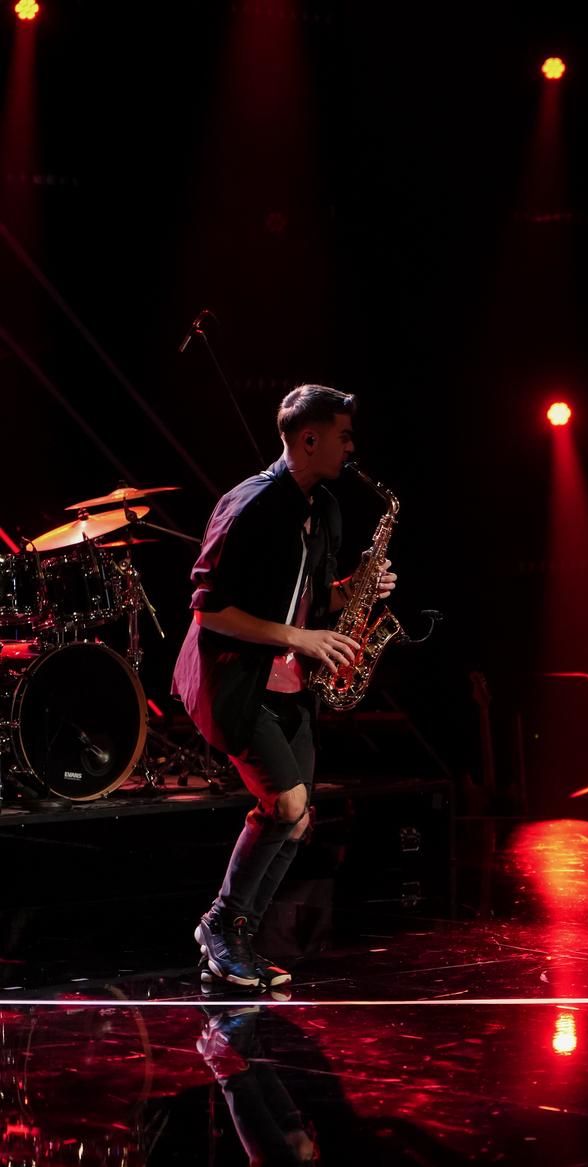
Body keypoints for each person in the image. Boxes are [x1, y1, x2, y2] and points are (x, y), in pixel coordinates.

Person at [173, 385, 397, 989]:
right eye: (344, 436)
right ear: (309, 438)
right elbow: (210, 613)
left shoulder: (326, 509)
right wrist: (301, 638)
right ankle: (221, 927)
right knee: (288, 804)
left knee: (296, 821)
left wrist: (355, 589)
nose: (351, 448)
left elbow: (311, 599)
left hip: (288, 682)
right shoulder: (247, 505)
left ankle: (235, 937)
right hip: (233, 678)